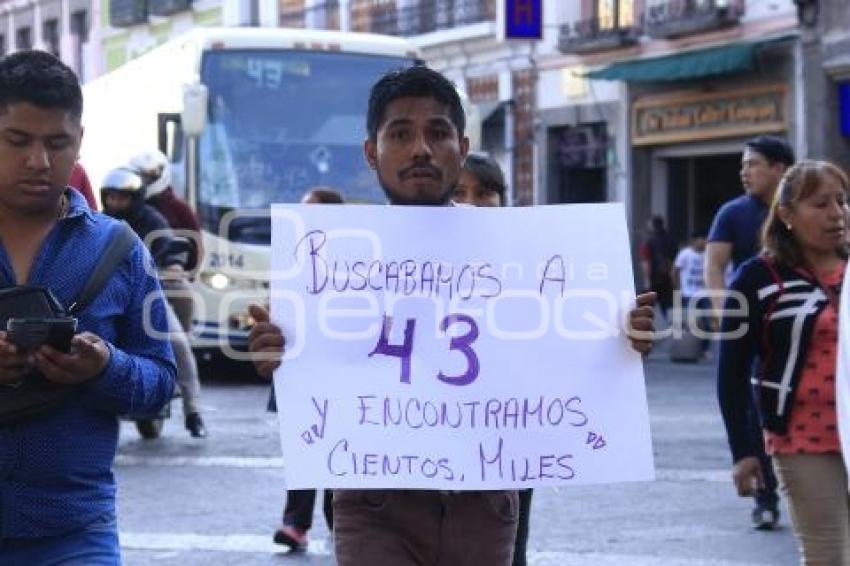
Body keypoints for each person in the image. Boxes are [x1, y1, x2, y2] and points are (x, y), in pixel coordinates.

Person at [247, 64, 657, 566]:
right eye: (401, 133)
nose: (421, 148)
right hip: (374, 500)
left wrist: (622, 336)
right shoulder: (328, 260)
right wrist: (276, 352)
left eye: (437, 132)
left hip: (483, 500)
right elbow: (307, 367)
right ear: (372, 152)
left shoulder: (520, 258)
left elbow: (567, 346)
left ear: (462, 149)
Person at [0, 50, 175, 563]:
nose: (39, 160)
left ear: (79, 141)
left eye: (57, 144)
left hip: (76, 532)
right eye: (17, 142)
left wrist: (105, 368)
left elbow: (161, 381)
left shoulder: (119, 249)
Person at [718, 160, 850, 564]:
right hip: (805, 439)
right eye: (821, 204)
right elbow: (732, 372)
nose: (837, 214)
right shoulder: (756, 278)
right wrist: (743, 451)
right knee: (828, 556)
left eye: (842, 201)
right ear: (787, 215)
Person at [706, 134, 795, 530]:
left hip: (799, 324)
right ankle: (765, 496)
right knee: (754, 409)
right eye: (742, 165)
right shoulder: (732, 213)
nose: (744, 172)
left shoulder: (802, 208)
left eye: (753, 164)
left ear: (779, 168)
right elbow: (715, 267)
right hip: (753, 325)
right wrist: (730, 317)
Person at [453, 152, 532, 566]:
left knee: (507, 547)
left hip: (509, 435)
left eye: (484, 193)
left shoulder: (532, 261)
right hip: (429, 435)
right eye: (459, 193)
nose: (472, 203)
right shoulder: (405, 260)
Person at [99, 167, 208, 438]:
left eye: (122, 197)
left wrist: (172, 265)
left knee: (179, 343)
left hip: (148, 296)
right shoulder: (98, 223)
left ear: (136, 198)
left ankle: (194, 411)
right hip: (109, 296)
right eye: (111, 197)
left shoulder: (153, 220)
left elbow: (170, 248)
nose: (115, 203)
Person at [271, 187, 341, 552]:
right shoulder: (291, 256)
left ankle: (338, 523)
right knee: (303, 447)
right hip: (300, 367)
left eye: (312, 211)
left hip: (337, 371)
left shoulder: (353, 257)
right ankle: (296, 523)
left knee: (334, 448)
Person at [127, 149, 203, 335]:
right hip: (127, 270)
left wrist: (181, 270)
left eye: (149, 176)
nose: (145, 181)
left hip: (164, 272)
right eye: (140, 176)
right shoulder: (125, 205)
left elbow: (194, 242)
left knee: (183, 293)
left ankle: (185, 338)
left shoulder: (178, 208)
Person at [671, 231, 709, 357]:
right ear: (694, 240)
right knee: (691, 323)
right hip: (689, 294)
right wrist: (678, 288)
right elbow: (675, 271)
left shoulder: (708, 254)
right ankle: (691, 348)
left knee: (707, 323)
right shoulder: (685, 254)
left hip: (705, 294)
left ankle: (704, 349)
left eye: (705, 240)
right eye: (701, 239)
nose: (704, 242)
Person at [639, 216, 677, 320]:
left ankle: (645, 327)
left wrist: (647, 280)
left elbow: (646, 262)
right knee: (667, 305)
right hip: (668, 277)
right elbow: (675, 260)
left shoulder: (648, 241)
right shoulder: (671, 239)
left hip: (654, 277)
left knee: (647, 304)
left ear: (652, 225)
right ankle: (671, 327)